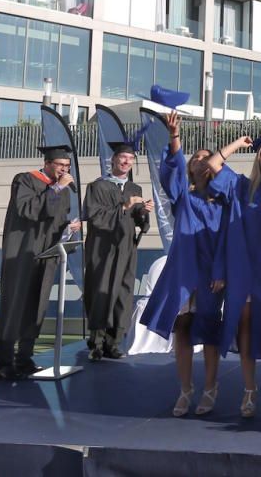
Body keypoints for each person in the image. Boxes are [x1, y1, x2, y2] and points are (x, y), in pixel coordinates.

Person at [140, 112, 234, 417]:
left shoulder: (224, 201)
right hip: (183, 271)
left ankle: (210, 387)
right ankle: (185, 389)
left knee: (207, 330)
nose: (200, 161)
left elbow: (225, 240)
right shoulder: (184, 197)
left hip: (210, 273)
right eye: (196, 158)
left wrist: (221, 270)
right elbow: (173, 171)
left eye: (207, 159)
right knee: (181, 328)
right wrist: (175, 137)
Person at [207, 130, 261, 418]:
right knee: (244, 326)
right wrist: (238, 144)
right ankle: (250, 389)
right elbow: (212, 166)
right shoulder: (242, 187)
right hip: (243, 268)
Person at [0, 144, 81, 380]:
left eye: (67, 166)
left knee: (37, 305)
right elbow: (28, 210)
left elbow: (54, 223)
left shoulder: (62, 190)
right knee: (16, 304)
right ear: (47, 163)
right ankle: (4, 361)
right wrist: (55, 189)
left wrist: (68, 230)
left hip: (46, 255)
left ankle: (24, 358)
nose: (64, 170)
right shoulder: (24, 180)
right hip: (22, 254)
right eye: (60, 165)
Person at [83, 142, 152, 361]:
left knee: (123, 293)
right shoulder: (98, 186)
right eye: (122, 158)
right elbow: (95, 217)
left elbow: (138, 221)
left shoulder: (135, 189)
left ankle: (114, 343)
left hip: (126, 248)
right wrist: (123, 207)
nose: (126, 162)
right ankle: (96, 343)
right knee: (101, 292)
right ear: (113, 160)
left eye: (130, 159)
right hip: (102, 248)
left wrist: (143, 212)